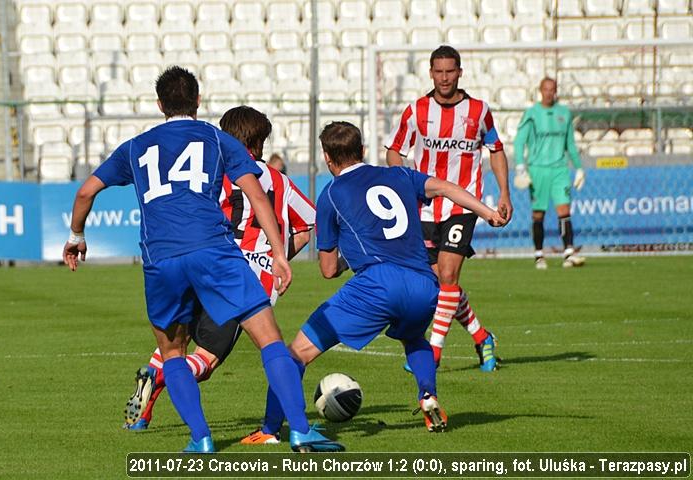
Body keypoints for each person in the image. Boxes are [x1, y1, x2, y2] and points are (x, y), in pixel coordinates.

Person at [63, 67, 342, 453]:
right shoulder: (217, 138)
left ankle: (202, 438)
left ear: (159, 104)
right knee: (269, 340)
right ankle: (298, 430)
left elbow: (85, 193)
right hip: (214, 250)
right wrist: (279, 253)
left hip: (160, 258)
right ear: (198, 100)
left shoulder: (135, 146)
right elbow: (259, 197)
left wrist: (77, 236)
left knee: (172, 352)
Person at [242, 121, 506, 440]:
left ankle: (270, 429)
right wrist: (488, 213)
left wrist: (346, 257)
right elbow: (447, 188)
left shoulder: (332, 195)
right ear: (363, 151)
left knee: (296, 353)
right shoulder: (399, 175)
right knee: (414, 339)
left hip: (377, 283)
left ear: (327, 157)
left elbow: (327, 269)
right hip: (423, 283)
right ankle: (427, 395)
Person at [123, 106, 316, 440]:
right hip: (249, 277)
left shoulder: (218, 173)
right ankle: (163, 377)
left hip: (207, 266)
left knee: (178, 338)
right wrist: (278, 255)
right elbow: (307, 223)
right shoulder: (280, 180)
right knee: (208, 359)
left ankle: (156, 377)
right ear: (260, 143)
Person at [384, 45, 512, 372]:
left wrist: (504, 193)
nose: (444, 78)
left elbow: (495, 150)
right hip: (424, 209)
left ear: (459, 72)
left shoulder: (479, 111)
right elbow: (394, 151)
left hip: (463, 205)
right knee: (439, 282)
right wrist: (402, 184)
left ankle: (433, 353)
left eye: (449, 71)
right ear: (430, 73)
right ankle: (482, 337)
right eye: (438, 72)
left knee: (450, 273)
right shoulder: (416, 111)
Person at [513, 77, 586, 269]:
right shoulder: (532, 113)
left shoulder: (564, 113)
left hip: (560, 169)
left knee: (564, 210)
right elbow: (520, 141)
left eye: (552, 89)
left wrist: (579, 168)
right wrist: (520, 166)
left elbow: (570, 143)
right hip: (537, 169)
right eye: (545, 89)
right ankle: (539, 254)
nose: (549, 93)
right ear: (540, 90)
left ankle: (569, 252)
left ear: (556, 91)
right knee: (538, 214)